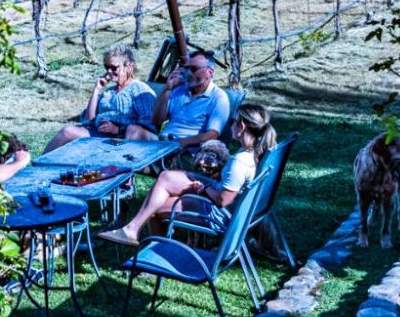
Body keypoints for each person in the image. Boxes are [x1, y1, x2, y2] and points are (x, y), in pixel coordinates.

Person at [99, 103, 275, 246]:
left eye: (234, 121)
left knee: (154, 209)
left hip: (220, 215)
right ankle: (132, 229)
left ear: (242, 126)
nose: (231, 125)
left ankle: (155, 252)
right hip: (231, 206)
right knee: (166, 176)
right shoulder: (257, 153)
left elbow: (223, 200)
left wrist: (204, 189)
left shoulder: (239, 162)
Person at [45, 45, 154, 153]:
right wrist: (97, 90)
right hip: (99, 135)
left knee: (69, 133)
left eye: (114, 67)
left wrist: (117, 129)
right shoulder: (109, 92)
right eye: (107, 67)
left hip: (121, 139)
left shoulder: (140, 90)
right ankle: (38, 166)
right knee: (67, 132)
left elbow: (146, 127)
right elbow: (88, 120)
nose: (109, 72)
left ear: (129, 67)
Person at [129, 47, 231, 161]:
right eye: (186, 68)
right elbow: (156, 121)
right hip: (165, 143)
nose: (188, 73)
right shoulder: (179, 90)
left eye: (194, 69)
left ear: (209, 73)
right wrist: (167, 89)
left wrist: (183, 142)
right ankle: (125, 173)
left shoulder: (218, 97)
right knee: (133, 130)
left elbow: (212, 134)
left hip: (188, 149)